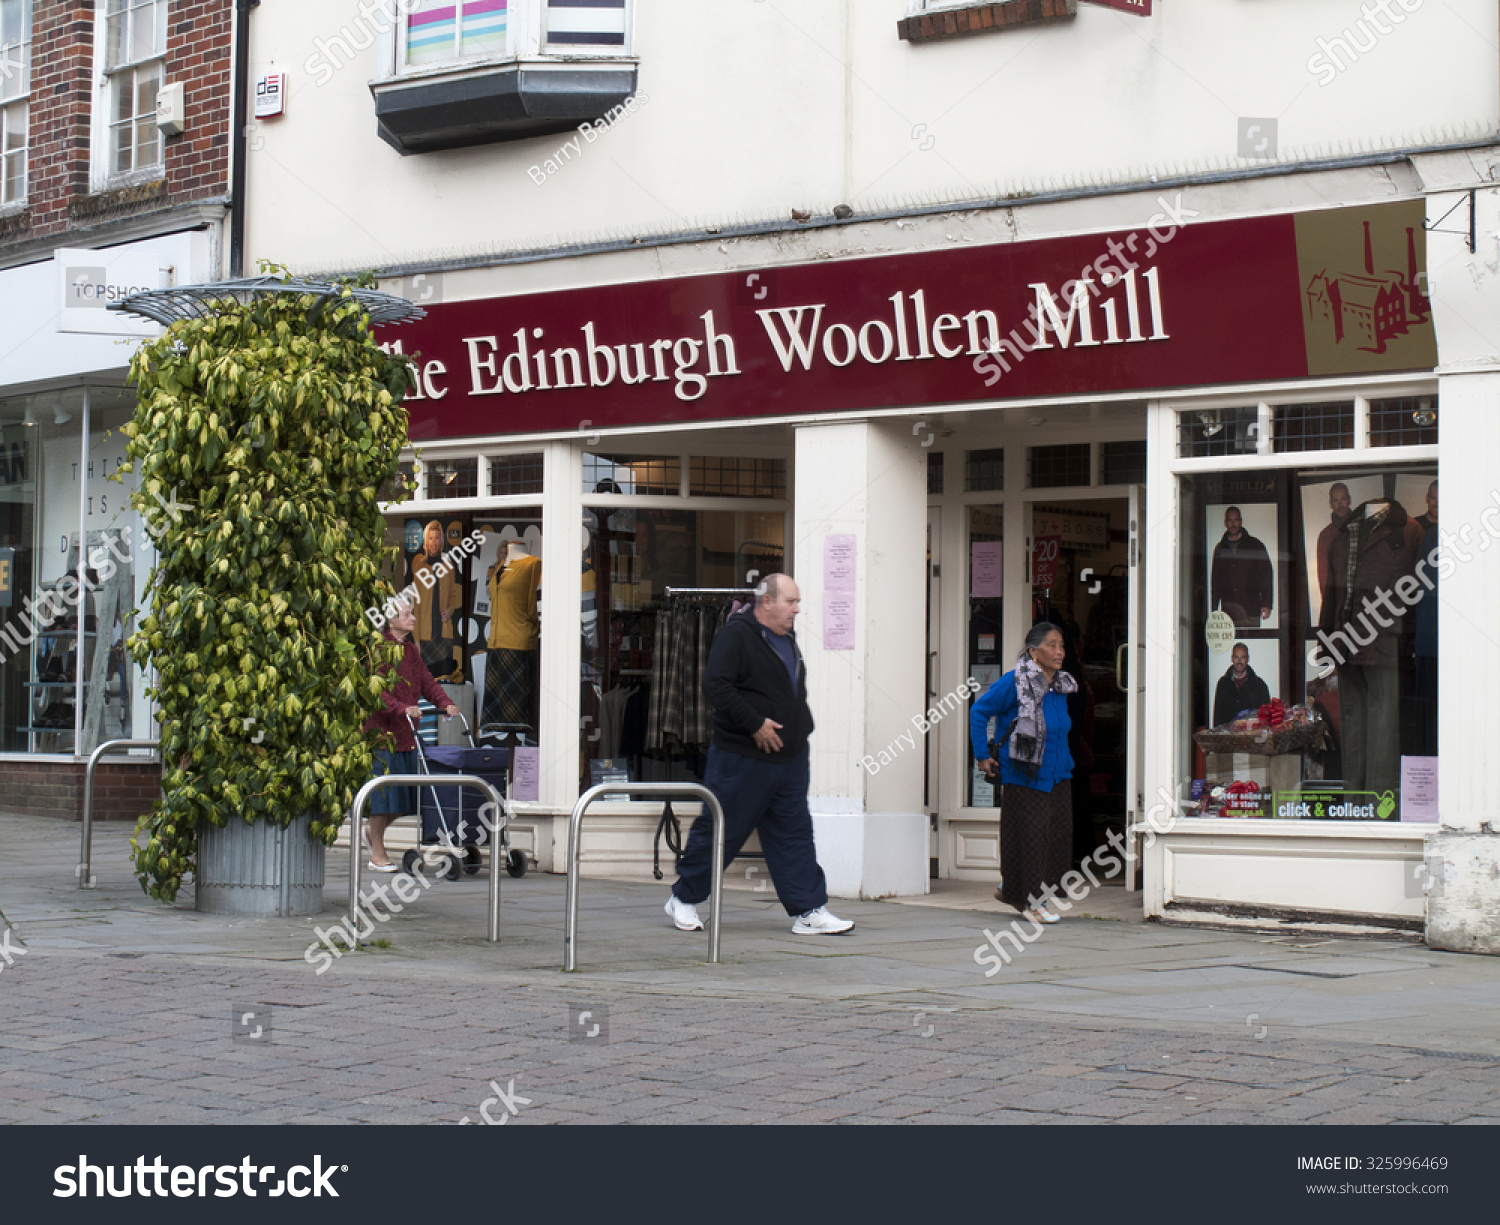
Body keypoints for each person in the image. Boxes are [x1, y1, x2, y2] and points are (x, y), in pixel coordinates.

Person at [664, 574, 854, 936]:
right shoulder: (737, 634)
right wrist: (754, 723)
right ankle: (684, 898)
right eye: (791, 602)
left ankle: (809, 909)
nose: (797, 609)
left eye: (797, 602)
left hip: (790, 757)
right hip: (742, 757)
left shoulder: (787, 638)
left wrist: (800, 727)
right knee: (723, 829)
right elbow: (715, 684)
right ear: (767, 602)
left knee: (793, 832)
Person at [970, 623, 1077, 926]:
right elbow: (979, 712)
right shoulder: (1013, 683)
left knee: (1055, 838)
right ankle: (1033, 902)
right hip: (1025, 773)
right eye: (1052, 645)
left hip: (1057, 774)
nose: (1060, 652)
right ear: (1033, 651)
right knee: (1032, 838)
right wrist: (981, 755)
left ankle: (1013, 888)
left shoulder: (1061, 686)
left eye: (1062, 645)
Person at [363, 596, 460, 871]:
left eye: (412, 614)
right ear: (391, 620)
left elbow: (426, 682)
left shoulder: (410, 650)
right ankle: (377, 855)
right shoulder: (378, 648)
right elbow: (374, 690)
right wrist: (401, 707)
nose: (414, 618)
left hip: (406, 735)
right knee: (383, 800)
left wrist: (445, 703)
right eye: (407, 614)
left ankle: (373, 835)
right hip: (383, 735)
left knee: (404, 800)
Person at [411, 520, 462, 679]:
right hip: (425, 636)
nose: (434, 542)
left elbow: (453, 596)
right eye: (431, 538)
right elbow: (416, 605)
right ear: (426, 542)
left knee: (445, 680)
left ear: (442, 541)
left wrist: (450, 610)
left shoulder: (448, 565)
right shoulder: (419, 566)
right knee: (425, 681)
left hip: (444, 634)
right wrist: (416, 640)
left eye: (437, 538)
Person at [1210, 506, 1274, 627]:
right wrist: (1214, 608)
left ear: (1241, 521)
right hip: (1229, 610)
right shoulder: (1220, 549)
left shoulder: (1255, 545)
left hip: (1251, 608)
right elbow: (1216, 580)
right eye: (1230, 520)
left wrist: (1267, 603)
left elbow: (1266, 575)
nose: (1233, 524)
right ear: (1225, 523)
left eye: (1236, 520)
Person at [1212, 642, 1273, 727]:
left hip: (1252, 737)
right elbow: (1217, 716)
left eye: (1243, 657)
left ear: (1248, 659)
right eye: (1236, 657)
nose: (1239, 661)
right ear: (1232, 658)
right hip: (1228, 738)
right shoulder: (1223, 684)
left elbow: (1266, 717)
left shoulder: (1259, 685)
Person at [1315, 483, 1352, 615]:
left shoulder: (1362, 528)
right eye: (1336, 500)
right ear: (1331, 504)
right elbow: (1323, 572)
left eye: (1343, 499)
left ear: (1349, 500)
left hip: (1362, 597)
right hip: (1338, 600)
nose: (1340, 504)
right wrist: (1329, 603)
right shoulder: (1326, 535)